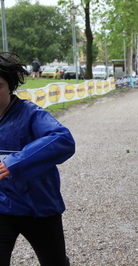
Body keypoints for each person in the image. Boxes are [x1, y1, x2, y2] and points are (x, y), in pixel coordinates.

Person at [0, 52, 75, 265]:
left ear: (10, 86)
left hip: (38, 207)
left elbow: (63, 140)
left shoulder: (31, 114)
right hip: (2, 207)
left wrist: (15, 162)